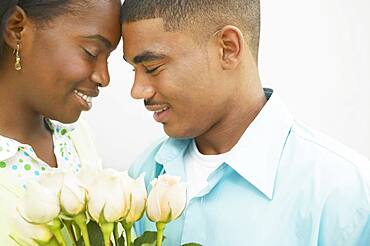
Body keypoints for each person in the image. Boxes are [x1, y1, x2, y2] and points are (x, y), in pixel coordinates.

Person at [120, 0, 370, 245]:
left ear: (228, 48)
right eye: (134, 70)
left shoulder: (346, 193)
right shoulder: (142, 174)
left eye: (152, 68)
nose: (137, 90)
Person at [0, 0, 121, 244]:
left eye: (108, 58)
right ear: (17, 29)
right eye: (91, 52)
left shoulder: (76, 138)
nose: (103, 77)